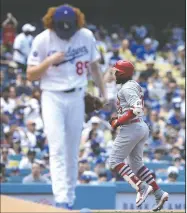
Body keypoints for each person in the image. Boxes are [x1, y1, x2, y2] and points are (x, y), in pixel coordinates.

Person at [26, 4, 107, 209]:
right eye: (60, 27)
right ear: (52, 23)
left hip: (77, 96)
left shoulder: (85, 36)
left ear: (76, 23)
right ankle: (61, 199)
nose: (65, 31)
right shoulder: (43, 39)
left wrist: (103, 93)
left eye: (68, 27)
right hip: (52, 96)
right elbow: (30, 74)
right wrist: (49, 61)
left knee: (72, 151)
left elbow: (95, 67)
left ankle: (69, 199)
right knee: (58, 147)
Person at [108, 60, 168, 211]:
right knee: (136, 165)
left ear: (122, 73)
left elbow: (138, 108)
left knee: (115, 161)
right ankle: (159, 193)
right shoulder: (133, 84)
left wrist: (118, 121)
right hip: (139, 126)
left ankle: (141, 187)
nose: (114, 74)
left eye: (116, 72)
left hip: (131, 127)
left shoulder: (126, 88)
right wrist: (119, 118)